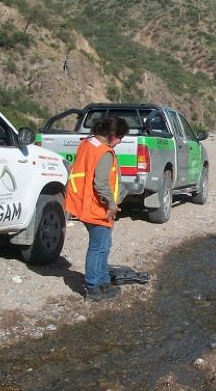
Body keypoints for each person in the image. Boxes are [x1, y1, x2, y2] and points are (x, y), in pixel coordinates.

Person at [65, 116, 129, 302]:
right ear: (111, 135)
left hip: (85, 203)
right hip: (97, 208)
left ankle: (103, 282)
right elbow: (100, 183)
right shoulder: (104, 152)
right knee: (98, 247)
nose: (120, 142)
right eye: (119, 138)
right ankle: (93, 287)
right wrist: (111, 204)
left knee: (103, 245)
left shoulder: (88, 143)